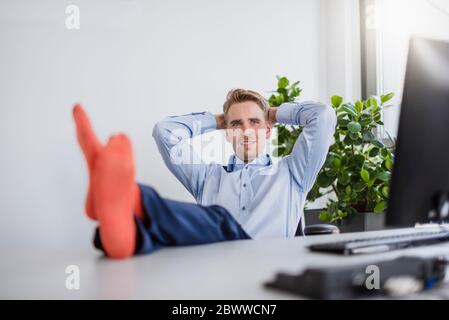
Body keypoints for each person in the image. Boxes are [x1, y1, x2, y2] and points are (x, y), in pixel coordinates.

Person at [73, 89, 336, 259]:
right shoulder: (208, 176)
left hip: (268, 265)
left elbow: (322, 116)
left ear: (268, 130)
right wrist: (217, 120)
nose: (245, 131)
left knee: (217, 220)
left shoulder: (293, 172)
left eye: (254, 123)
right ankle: (122, 237)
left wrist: (274, 114)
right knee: (174, 233)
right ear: (226, 131)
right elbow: (163, 132)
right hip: (214, 269)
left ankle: (130, 198)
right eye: (236, 124)